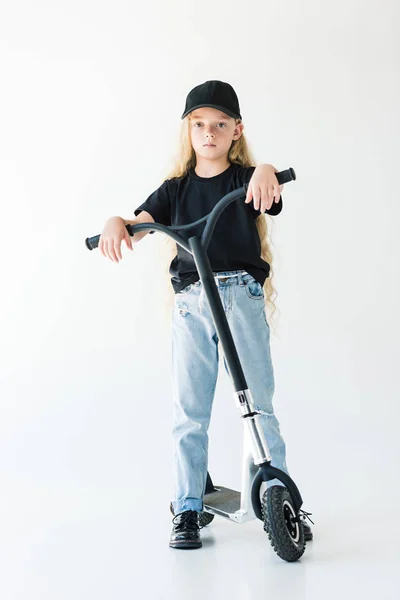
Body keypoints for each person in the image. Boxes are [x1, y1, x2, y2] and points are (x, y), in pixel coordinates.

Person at [99, 80, 313, 550]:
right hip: (192, 304)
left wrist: (267, 171)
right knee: (189, 413)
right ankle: (188, 507)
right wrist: (117, 224)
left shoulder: (244, 180)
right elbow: (138, 222)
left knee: (258, 402)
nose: (209, 132)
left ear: (237, 131)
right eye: (200, 124)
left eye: (220, 124)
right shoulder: (174, 190)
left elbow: (267, 189)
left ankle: (280, 497)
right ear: (188, 130)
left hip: (239, 296)